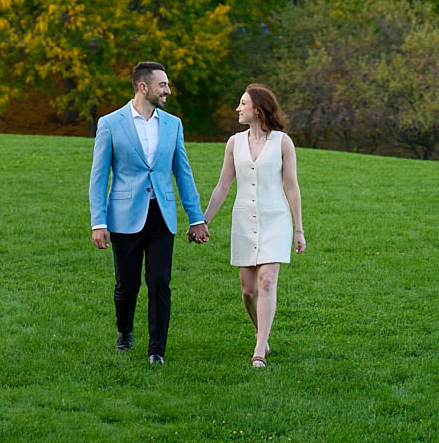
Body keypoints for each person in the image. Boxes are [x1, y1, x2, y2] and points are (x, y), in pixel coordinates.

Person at [89, 61, 209, 365]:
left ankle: (157, 350)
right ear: (143, 87)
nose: (168, 90)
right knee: (126, 285)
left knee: (159, 281)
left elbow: (183, 173)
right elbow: (99, 177)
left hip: (162, 215)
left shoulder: (173, 124)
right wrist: (98, 221)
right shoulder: (110, 123)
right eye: (162, 85)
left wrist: (196, 218)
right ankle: (125, 332)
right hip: (124, 215)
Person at [202, 84, 305, 368]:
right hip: (244, 220)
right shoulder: (234, 143)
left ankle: (260, 349)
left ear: (257, 109)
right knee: (248, 290)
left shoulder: (282, 142)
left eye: (242, 103)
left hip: (276, 219)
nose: (238, 108)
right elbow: (223, 185)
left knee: (267, 281)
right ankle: (262, 332)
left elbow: (292, 186)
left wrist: (299, 229)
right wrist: (204, 220)